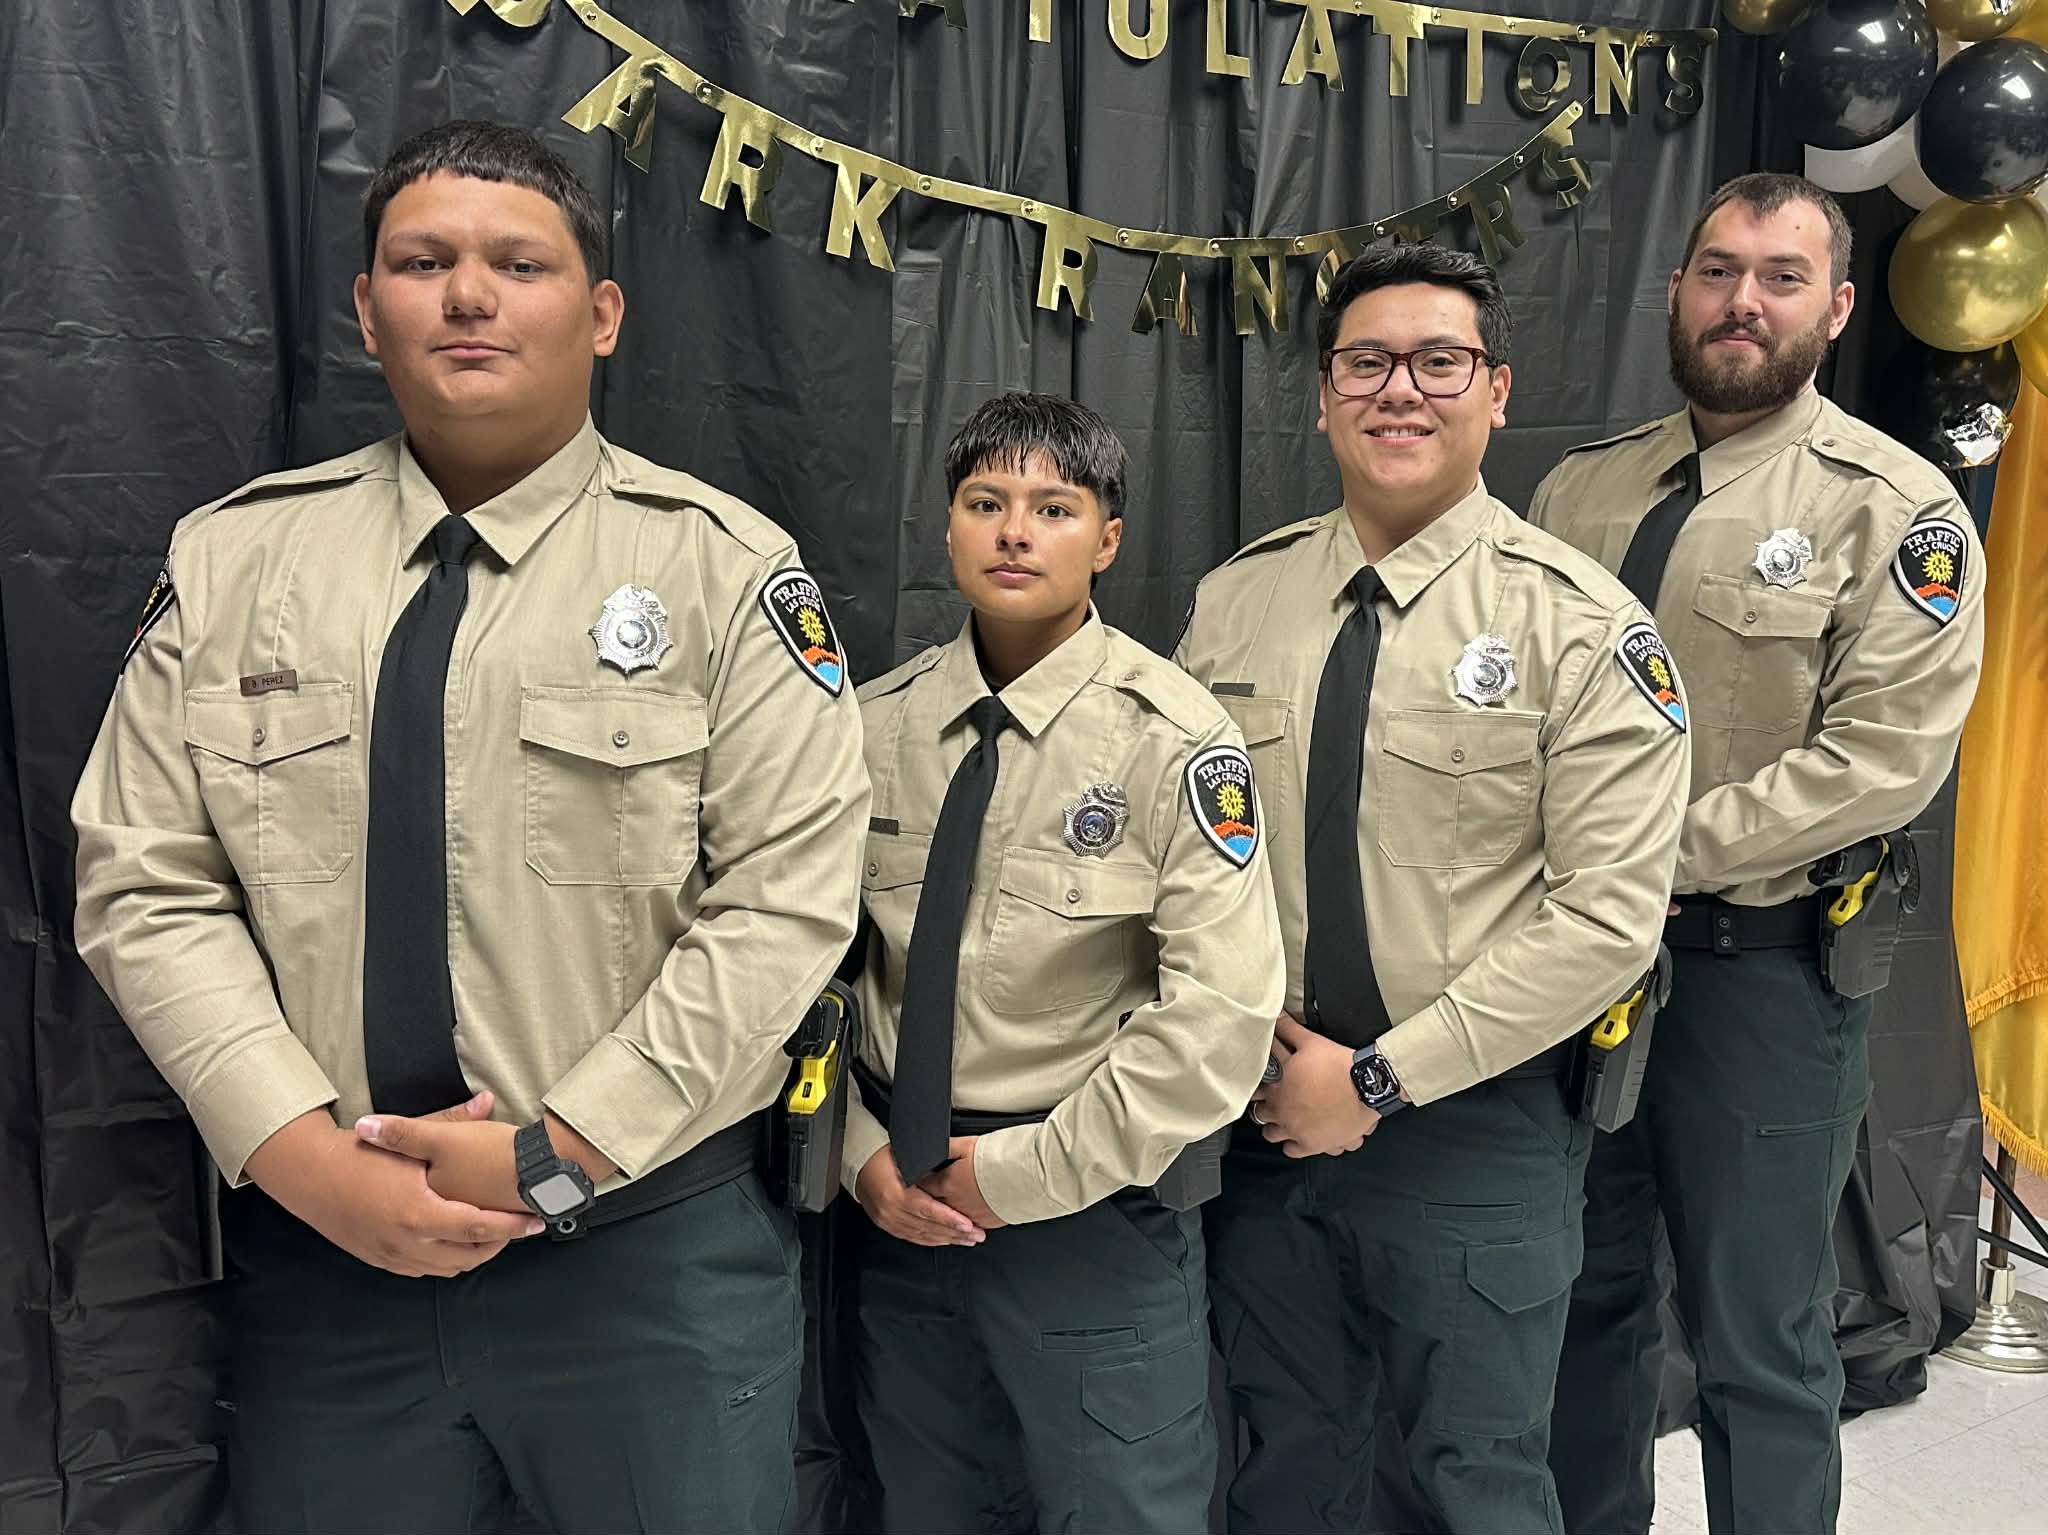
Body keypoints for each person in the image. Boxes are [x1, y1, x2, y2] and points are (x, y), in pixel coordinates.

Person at [70, 120, 869, 1534]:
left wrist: (567, 1146)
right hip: (331, 1265)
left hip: (643, 1269)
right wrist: (301, 1155)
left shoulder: (725, 573)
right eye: (423, 261)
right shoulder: (233, 559)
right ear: (365, 306)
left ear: (602, 313)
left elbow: (786, 902)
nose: (469, 295)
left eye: (520, 263)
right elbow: (146, 882)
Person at [1174, 242, 1692, 1535]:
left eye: (1439, 361)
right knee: (1286, 1470)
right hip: (1264, 1118)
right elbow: (1178, 850)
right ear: (1323, 394)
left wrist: (1373, 1079)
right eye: (1365, 361)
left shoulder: (1583, 627)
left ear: (1497, 390)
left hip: (1473, 1128)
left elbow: (1606, 919)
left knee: (1481, 1483)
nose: (1399, 388)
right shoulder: (1235, 601)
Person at [1531, 172, 1987, 1535]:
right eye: (1718, 270)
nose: (1743, 301)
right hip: (1568, 976)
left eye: (1781, 277)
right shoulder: (1578, 489)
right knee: (1583, 1309)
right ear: (1674, 289)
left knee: (1760, 1339)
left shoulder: (1894, 509)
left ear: (1835, 308)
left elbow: (1879, 762)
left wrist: (1637, 856)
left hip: (1759, 979)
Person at [841, 392, 1284, 1534]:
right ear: (946, 526)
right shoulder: (873, 728)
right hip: (896, 1206)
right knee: (927, 1503)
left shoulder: (1174, 738)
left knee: (1122, 1509)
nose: (1013, 531)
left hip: (1086, 1211)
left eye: (1052, 507)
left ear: (1108, 538)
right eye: (984, 502)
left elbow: (1220, 1017)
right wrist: (856, 1157)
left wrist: (1021, 1175)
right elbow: (809, 975)